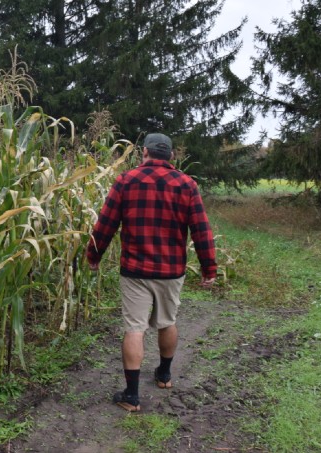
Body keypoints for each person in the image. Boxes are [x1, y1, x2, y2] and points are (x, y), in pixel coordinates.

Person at [85, 133, 217, 412]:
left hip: (135, 270)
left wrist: (94, 254)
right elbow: (201, 230)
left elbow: (106, 224)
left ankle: (131, 396)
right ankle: (164, 375)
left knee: (135, 328)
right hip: (171, 270)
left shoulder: (126, 181)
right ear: (170, 155)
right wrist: (209, 268)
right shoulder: (186, 185)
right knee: (167, 321)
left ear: (144, 152)